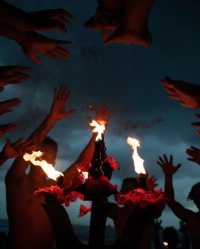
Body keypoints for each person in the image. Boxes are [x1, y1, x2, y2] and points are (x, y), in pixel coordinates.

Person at [106, 177, 164, 249]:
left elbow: (160, 206)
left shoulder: (148, 210)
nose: (123, 192)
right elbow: (98, 204)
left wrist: (150, 191)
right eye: (122, 189)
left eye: (128, 189)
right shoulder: (117, 211)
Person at [157, 154, 200, 249]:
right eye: (197, 197)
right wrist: (168, 176)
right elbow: (171, 202)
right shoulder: (193, 219)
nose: (199, 200)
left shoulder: (193, 220)